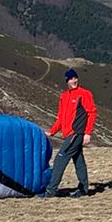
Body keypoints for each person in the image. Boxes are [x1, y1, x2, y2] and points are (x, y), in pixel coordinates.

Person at [45, 68, 96, 197]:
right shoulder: (64, 96)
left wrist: (88, 133)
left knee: (59, 160)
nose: (74, 80)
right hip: (68, 134)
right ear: (67, 80)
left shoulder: (84, 94)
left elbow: (91, 113)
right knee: (78, 160)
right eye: (71, 78)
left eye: (75, 78)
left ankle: (51, 191)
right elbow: (61, 117)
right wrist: (52, 132)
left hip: (77, 133)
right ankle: (83, 189)